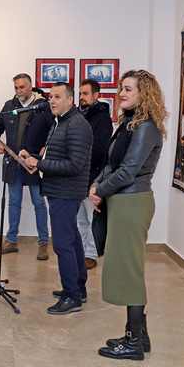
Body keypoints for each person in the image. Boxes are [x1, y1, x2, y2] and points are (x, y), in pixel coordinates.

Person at [89, 70, 168, 361]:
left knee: (129, 272)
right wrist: (98, 186)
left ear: (143, 94)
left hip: (132, 202)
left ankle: (133, 341)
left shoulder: (146, 127)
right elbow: (112, 164)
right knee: (125, 268)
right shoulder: (128, 124)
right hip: (122, 200)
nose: (122, 93)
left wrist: (100, 191)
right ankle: (139, 335)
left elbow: (129, 170)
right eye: (122, 88)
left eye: (128, 89)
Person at [22, 82, 92, 315]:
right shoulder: (60, 122)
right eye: (50, 96)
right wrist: (32, 157)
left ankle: (72, 296)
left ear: (70, 100)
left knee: (63, 245)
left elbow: (74, 165)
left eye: (57, 97)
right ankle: (78, 289)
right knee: (72, 240)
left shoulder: (77, 125)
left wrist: (38, 163)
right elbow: (55, 155)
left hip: (66, 192)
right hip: (58, 190)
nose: (51, 100)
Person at [0, 73, 53, 259]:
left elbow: (53, 130)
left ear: (30, 86)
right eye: (16, 88)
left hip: (33, 163)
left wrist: (45, 148)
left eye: (22, 87)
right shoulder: (9, 106)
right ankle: (11, 241)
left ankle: (43, 243)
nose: (19, 91)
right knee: (13, 202)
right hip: (12, 162)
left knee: (39, 203)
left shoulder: (43, 107)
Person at [77, 79, 112, 270]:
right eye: (80, 93)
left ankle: (91, 255)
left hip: (93, 177)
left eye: (85, 94)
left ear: (96, 95)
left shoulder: (102, 118)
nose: (81, 97)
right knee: (80, 220)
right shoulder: (79, 115)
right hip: (77, 177)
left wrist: (76, 156)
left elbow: (99, 148)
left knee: (92, 219)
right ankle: (82, 252)